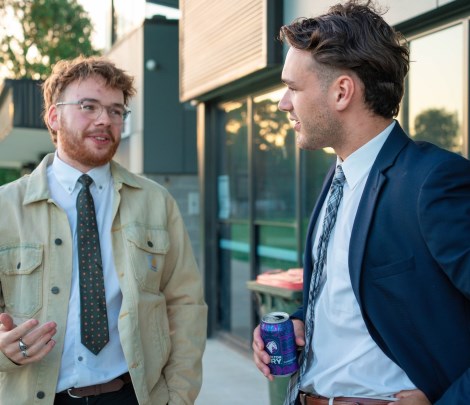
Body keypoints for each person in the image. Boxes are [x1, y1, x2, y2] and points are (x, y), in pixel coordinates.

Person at [252, 1, 470, 404]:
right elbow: (349, 294)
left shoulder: (434, 182)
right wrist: (301, 322)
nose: (283, 103)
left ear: (342, 91)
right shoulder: (338, 178)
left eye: (293, 88)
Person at [0, 56, 207, 405]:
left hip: (131, 395)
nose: (104, 120)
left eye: (115, 111)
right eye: (88, 106)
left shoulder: (157, 203)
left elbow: (185, 306)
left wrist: (178, 396)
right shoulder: (5, 208)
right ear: (54, 116)